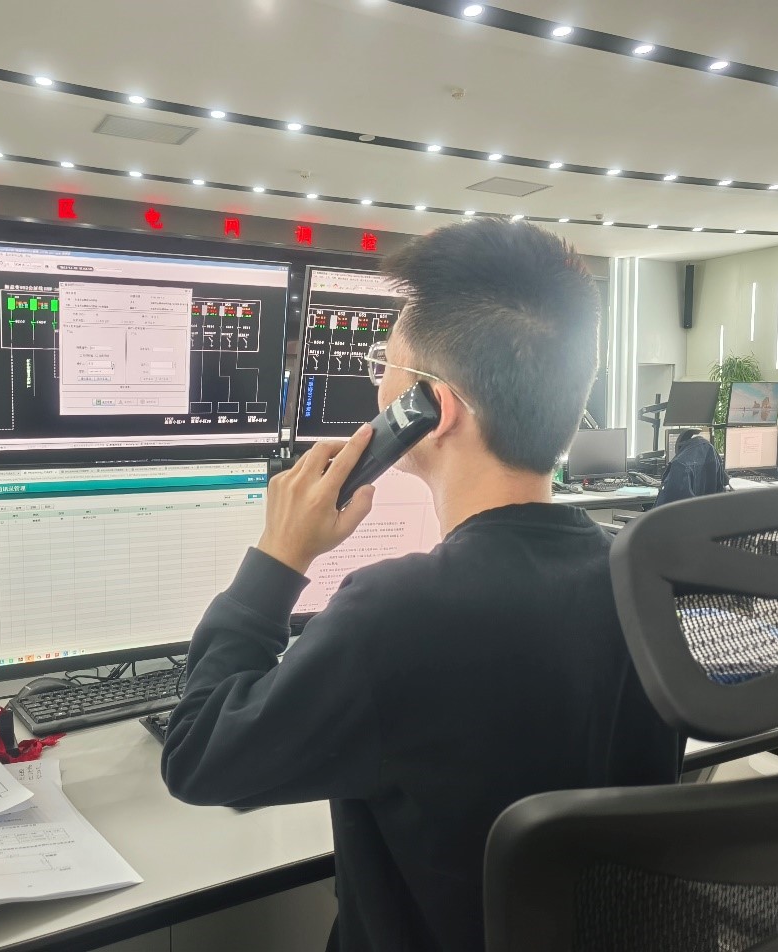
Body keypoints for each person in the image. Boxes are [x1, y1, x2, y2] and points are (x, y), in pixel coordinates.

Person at [161, 218, 681, 952]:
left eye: (387, 364)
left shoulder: (396, 613)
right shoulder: (646, 582)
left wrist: (277, 557)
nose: (379, 383)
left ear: (432, 409)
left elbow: (197, 757)